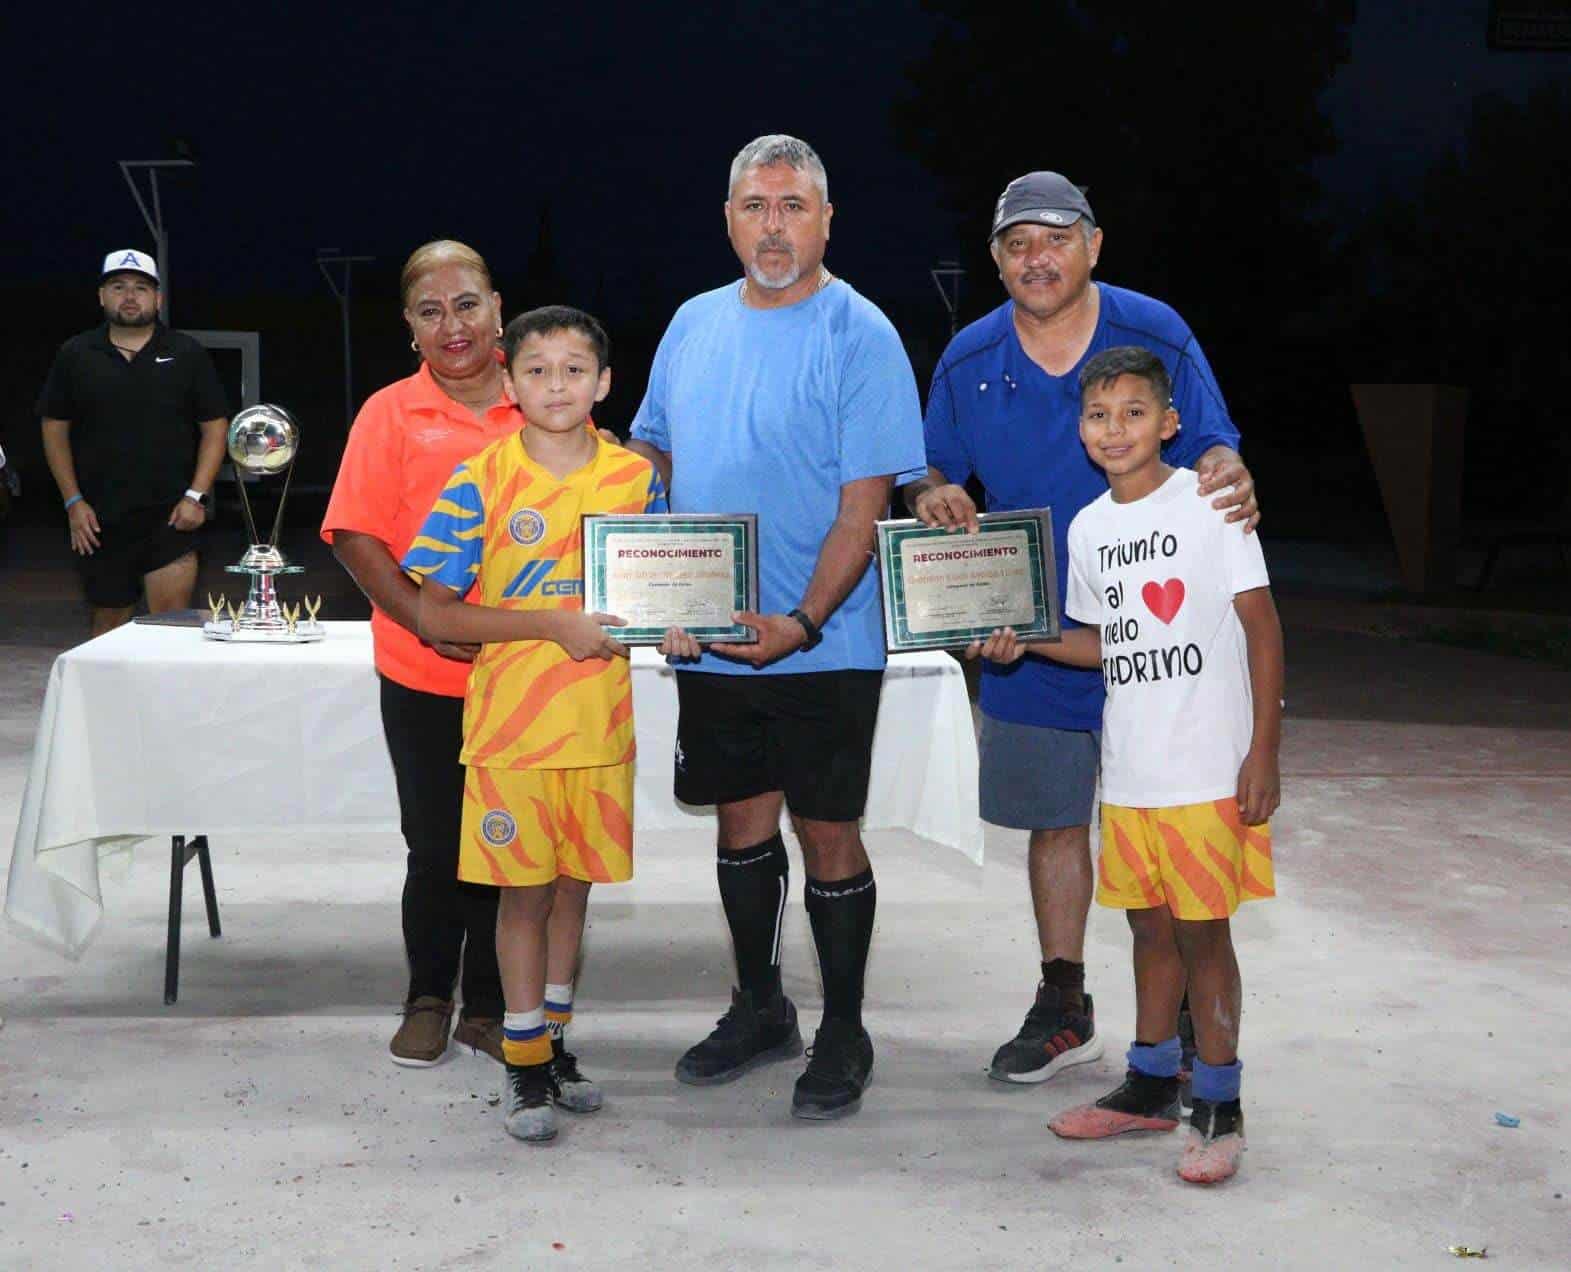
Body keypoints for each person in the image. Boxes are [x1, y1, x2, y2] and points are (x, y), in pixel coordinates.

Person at [904, 172, 1261, 1088]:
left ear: (1093, 245)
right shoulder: (967, 356)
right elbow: (930, 467)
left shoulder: (1155, 331)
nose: (1037, 257)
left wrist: (1228, 471)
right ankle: (1064, 1001)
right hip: (1038, 634)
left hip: (1163, 644)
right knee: (1055, 820)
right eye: (1017, 243)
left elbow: (1214, 442)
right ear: (995, 260)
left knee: (1175, 819)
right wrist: (929, 491)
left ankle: (1183, 1012)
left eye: (1056, 237)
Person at [625, 134, 927, 1121]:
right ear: (727, 219)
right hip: (714, 638)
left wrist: (801, 620)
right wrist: (657, 595)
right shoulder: (690, 324)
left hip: (822, 642)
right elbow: (649, 461)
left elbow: (863, 506)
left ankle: (842, 1028)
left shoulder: (860, 333)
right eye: (754, 206)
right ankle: (760, 1008)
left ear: (826, 219)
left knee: (827, 829)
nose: (773, 225)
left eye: (792, 206)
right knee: (740, 820)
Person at [973, 346, 1280, 1184]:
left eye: (1134, 413)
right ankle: (1147, 1086)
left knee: (1202, 936)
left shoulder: (1208, 504)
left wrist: (1263, 751)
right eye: (1099, 415)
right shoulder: (1089, 527)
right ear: (1081, 429)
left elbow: (1261, 628)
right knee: (1146, 927)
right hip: (1134, 773)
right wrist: (1020, 637)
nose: (1115, 430)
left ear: (1168, 424)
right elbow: (1104, 641)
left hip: (1209, 771)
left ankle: (1218, 1104)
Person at [404, 306, 668, 1143]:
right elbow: (435, 615)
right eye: (538, 370)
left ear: (605, 383)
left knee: (570, 892)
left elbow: (657, 593)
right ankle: (521, 1063)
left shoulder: (636, 479)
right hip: (512, 733)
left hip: (599, 729)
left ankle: (552, 1043)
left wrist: (682, 621)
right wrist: (551, 625)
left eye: (574, 369)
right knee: (521, 897)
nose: (557, 385)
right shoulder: (479, 479)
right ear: (509, 384)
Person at [321, 240, 514, 1067]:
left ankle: (497, 1004)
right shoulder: (388, 413)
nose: (452, 326)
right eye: (430, 312)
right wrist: (417, 620)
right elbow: (354, 535)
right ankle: (429, 995)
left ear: (497, 307)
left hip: (527, 674)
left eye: (465, 304)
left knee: (512, 842)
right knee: (436, 845)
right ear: (409, 328)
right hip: (422, 669)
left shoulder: (546, 397)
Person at [37, 250, 228, 637]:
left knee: (170, 626)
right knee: (108, 627)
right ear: (101, 296)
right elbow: (54, 427)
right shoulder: (76, 354)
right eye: (119, 286)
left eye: (141, 288)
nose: (130, 296)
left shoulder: (186, 352)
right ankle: (107, 700)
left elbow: (215, 426)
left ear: (157, 299)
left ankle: (166, 701)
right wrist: (73, 502)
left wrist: (196, 496)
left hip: (171, 515)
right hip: (99, 519)